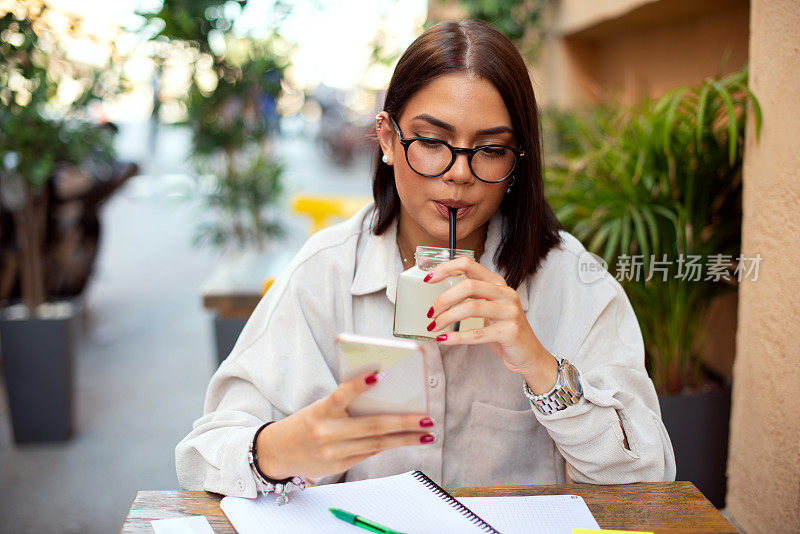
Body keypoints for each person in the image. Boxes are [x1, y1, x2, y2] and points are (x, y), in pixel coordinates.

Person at [175, 20, 676, 499]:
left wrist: (543, 369)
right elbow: (202, 458)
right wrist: (287, 446)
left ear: (517, 160)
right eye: (433, 142)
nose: (459, 174)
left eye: (491, 149)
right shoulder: (327, 272)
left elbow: (649, 478)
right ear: (389, 140)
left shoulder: (570, 280)